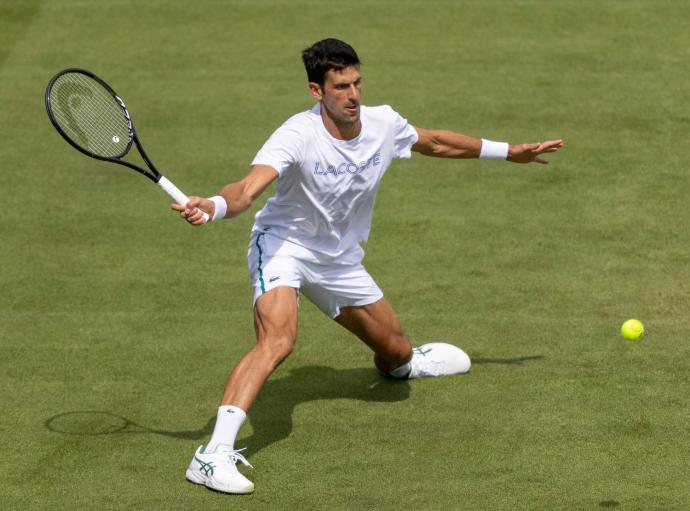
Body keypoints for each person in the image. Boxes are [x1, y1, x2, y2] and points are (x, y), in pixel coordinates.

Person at [175, 38, 563, 495]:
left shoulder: (382, 123)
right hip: (285, 248)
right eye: (340, 86)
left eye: (357, 82)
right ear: (316, 91)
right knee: (279, 339)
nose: (353, 95)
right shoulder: (296, 135)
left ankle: (406, 361)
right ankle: (212, 454)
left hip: (340, 261)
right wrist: (217, 206)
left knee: (396, 355)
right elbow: (246, 189)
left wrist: (507, 150)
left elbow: (433, 142)